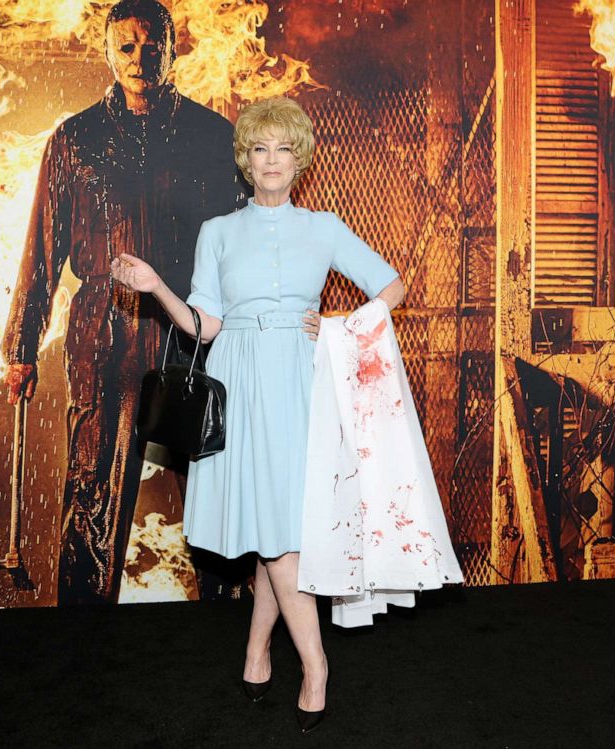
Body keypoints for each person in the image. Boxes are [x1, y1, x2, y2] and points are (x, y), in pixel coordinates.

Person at [110, 96, 405, 732]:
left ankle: (314, 666)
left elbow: (391, 286)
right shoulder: (219, 232)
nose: (271, 161)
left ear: (299, 160)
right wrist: (156, 285)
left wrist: (337, 326)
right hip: (238, 382)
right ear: (245, 160)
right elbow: (204, 324)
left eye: (284, 149)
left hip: (300, 382)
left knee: (280, 535)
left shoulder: (323, 227)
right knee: (273, 530)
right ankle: (256, 652)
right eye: (260, 149)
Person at [1, 0, 246, 606]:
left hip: (190, 331)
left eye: (152, 44)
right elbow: (43, 247)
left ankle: (230, 632)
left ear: (172, 47)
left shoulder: (212, 138)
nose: (141, 58)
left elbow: (243, 244)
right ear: (107, 53)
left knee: (212, 477)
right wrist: (20, 347)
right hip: (103, 335)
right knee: (92, 486)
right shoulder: (76, 140)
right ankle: (85, 642)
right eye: (128, 47)